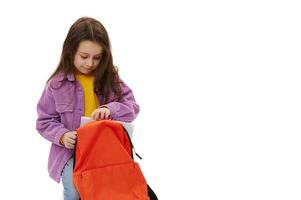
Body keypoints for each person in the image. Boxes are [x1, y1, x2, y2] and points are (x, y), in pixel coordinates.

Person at [36, 17, 140, 200]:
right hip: (69, 153)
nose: (90, 63)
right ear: (70, 52)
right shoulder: (56, 85)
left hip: (104, 151)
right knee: (75, 188)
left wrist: (111, 109)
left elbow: (132, 107)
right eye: (84, 56)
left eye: (97, 57)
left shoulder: (110, 79)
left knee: (108, 189)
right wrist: (61, 135)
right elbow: (44, 121)